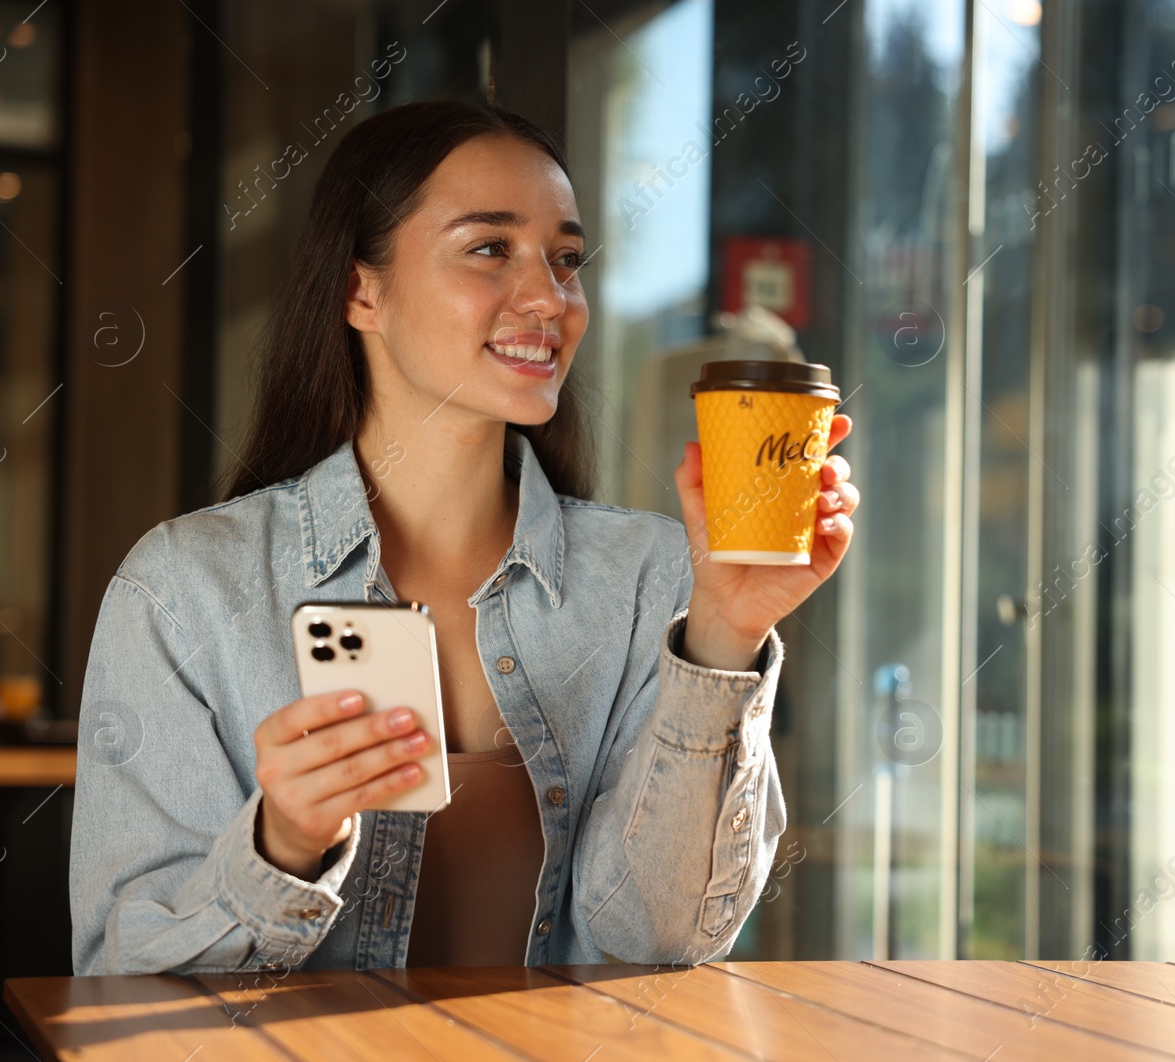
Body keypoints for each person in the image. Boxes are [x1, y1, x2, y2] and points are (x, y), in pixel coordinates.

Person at [68, 98, 859, 975]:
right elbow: (117, 971)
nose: (548, 298)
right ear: (360, 289)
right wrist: (281, 845)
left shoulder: (655, 575)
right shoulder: (183, 589)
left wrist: (725, 635)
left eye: (566, 259)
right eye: (490, 248)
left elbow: (657, 938)